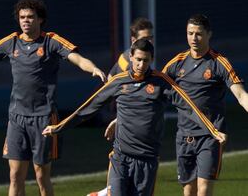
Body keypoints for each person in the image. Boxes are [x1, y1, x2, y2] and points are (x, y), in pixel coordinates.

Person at [0, 0, 106, 195]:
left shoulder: (51, 41)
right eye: (22, 17)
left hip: (44, 119)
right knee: (15, 175)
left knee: (42, 176)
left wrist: (92, 68)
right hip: (16, 118)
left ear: (40, 19)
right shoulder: (11, 42)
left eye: (30, 17)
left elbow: (77, 58)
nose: (25, 20)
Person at [42, 39, 226, 196]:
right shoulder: (118, 82)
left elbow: (188, 107)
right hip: (121, 157)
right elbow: (88, 108)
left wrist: (212, 130)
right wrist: (59, 127)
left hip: (147, 160)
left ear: (152, 60)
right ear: (130, 57)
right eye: (138, 59)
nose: (141, 64)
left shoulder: (161, 83)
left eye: (146, 60)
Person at [162, 14, 248, 196]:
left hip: (211, 136)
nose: (193, 38)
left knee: (204, 190)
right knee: (188, 192)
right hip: (184, 136)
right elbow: (154, 89)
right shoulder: (176, 63)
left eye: (199, 34)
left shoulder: (219, 63)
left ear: (209, 34)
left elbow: (241, 95)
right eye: (190, 33)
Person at [88, 17, 154, 196]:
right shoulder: (128, 60)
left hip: (130, 114)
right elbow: (119, 85)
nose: (149, 42)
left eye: (151, 38)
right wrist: (118, 117)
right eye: (145, 38)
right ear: (133, 40)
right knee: (123, 159)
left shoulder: (140, 56)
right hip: (126, 113)